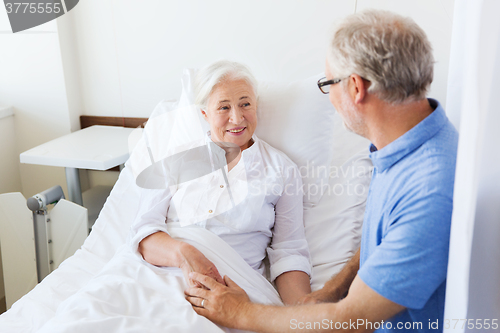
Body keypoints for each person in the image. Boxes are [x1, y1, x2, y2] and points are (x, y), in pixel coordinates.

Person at [185, 10, 458, 333]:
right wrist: (334, 288)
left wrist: (239, 312)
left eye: (329, 83)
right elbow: (388, 236)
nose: (329, 97)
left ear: (355, 88)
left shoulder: (428, 189)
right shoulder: (405, 142)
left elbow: (350, 320)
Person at [132, 59, 312, 305]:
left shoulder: (281, 170)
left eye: (245, 104)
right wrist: (185, 254)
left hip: (233, 292)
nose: (237, 118)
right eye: (224, 107)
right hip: (158, 280)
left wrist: (302, 319)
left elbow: (289, 253)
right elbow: (144, 233)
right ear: (205, 114)